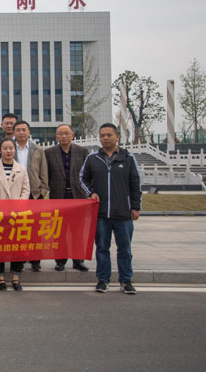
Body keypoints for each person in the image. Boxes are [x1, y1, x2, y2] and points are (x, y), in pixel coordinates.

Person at [80, 123, 142, 295]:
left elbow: (136, 184)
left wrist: (135, 207)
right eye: (102, 135)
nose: (105, 138)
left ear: (117, 137)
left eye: (109, 135)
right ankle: (103, 280)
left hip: (123, 213)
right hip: (101, 213)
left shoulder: (128, 158)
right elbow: (83, 179)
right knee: (102, 248)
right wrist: (91, 192)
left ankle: (126, 280)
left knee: (125, 249)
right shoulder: (93, 158)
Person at [0, 138, 30, 291]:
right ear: (0, 150)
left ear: (15, 150)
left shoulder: (21, 169)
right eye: (5, 148)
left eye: (11, 148)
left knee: (18, 245)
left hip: (17, 213)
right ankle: (0, 277)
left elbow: (26, 189)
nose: (8, 151)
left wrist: (20, 204)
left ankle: (16, 277)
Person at [46, 124, 91, 272]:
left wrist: (88, 192)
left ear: (72, 135)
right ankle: (60, 260)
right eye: (60, 133)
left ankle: (78, 260)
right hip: (58, 196)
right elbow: (47, 174)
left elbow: (87, 174)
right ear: (56, 136)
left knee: (78, 231)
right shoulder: (49, 153)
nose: (64, 136)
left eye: (67, 133)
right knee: (60, 231)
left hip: (78, 196)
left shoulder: (82, 151)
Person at [14, 120, 49, 272]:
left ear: (29, 132)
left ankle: (35, 259)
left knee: (35, 229)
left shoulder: (37, 149)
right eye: (18, 130)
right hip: (15, 195)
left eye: (24, 130)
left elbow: (43, 172)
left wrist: (42, 191)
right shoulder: (9, 147)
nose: (21, 133)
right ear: (14, 132)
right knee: (18, 229)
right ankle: (19, 259)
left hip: (34, 194)